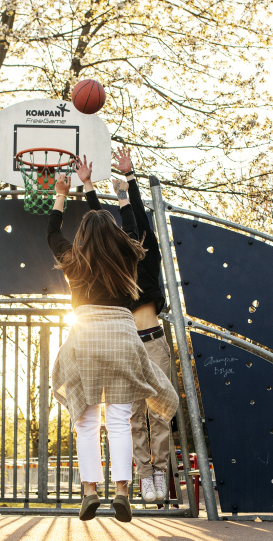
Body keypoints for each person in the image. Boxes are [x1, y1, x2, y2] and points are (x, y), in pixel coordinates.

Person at [47, 157, 178, 522]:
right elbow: (134, 229)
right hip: (122, 336)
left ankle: (90, 490)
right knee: (120, 420)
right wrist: (121, 198)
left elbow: (52, 233)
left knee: (86, 421)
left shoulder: (73, 259)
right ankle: (122, 490)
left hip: (86, 337)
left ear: (82, 239)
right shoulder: (127, 255)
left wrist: (62, 195)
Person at [111, 147, 175, 505]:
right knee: (135, 416)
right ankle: (144, 476)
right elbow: (100, 224)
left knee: (160, 411)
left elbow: (140, 223)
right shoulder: (117, 275)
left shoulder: (148, 265)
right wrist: (89, 187)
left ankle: (161, 471)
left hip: (152, 343)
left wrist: (129, 179)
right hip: (127, 347)